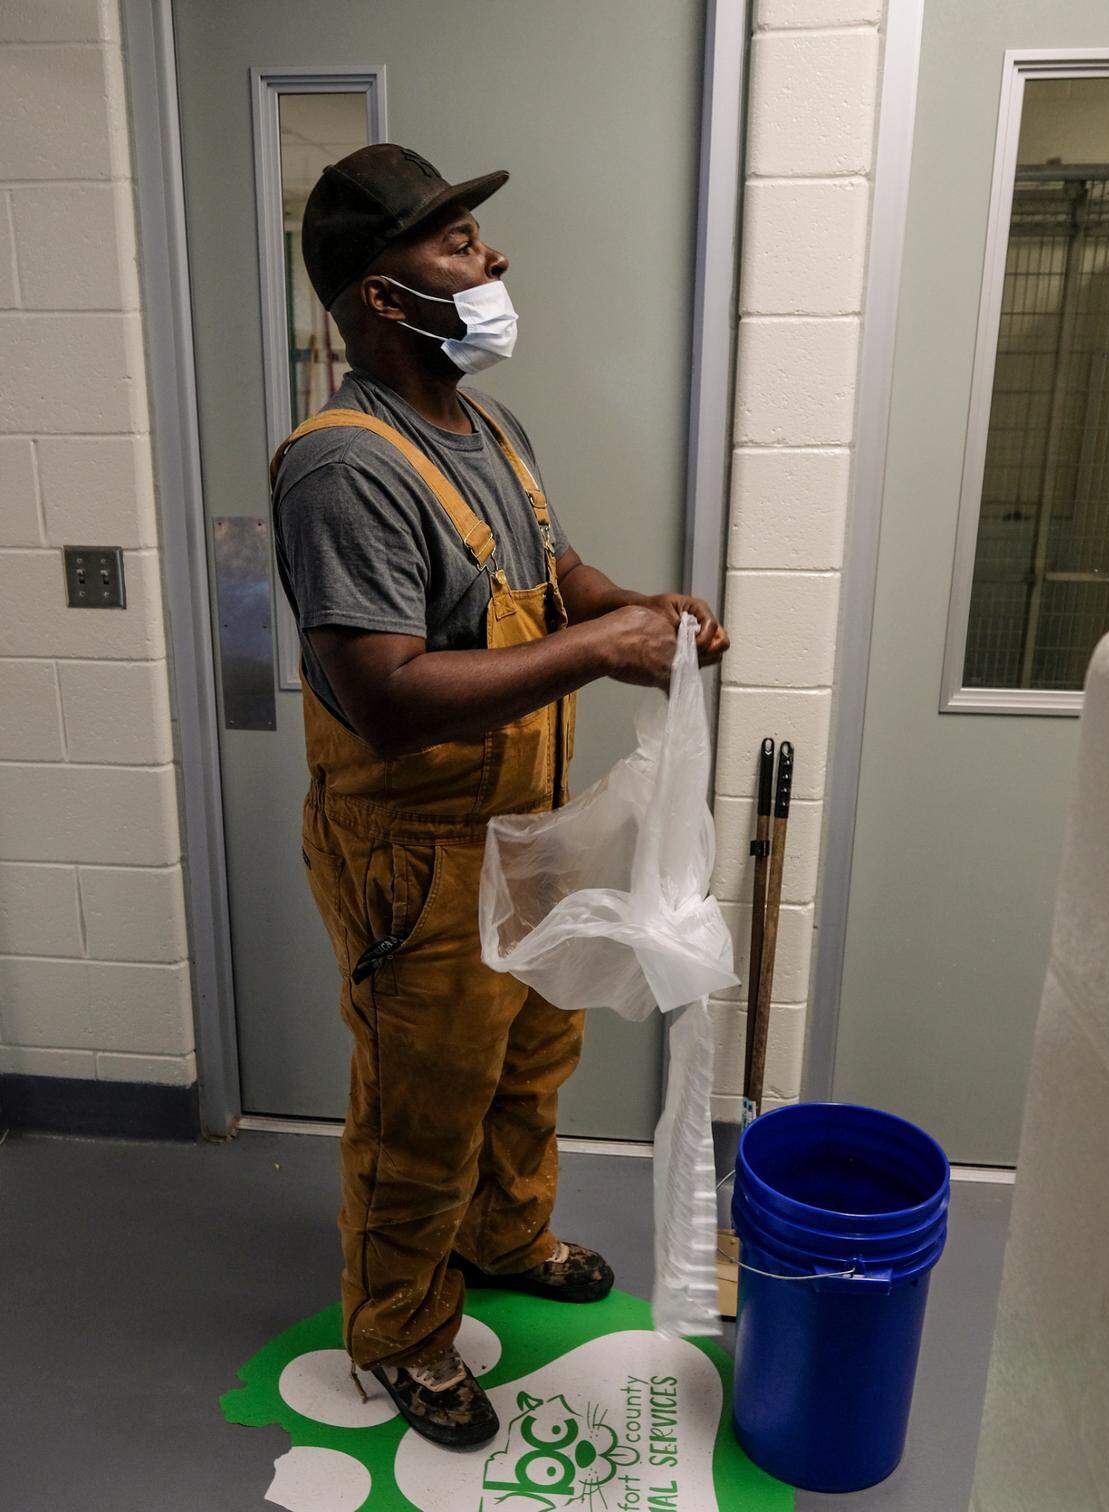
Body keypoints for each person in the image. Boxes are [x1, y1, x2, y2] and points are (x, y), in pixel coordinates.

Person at [269, 142, 730, 1450]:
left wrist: (644, 613)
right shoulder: (344, 467)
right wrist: (598, 652)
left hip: (523, 822)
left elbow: (558, 571)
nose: (493, 258)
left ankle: (507, 1236)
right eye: (455, 242)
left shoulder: (488, 427)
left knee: (532, 1059)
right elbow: (387, 694)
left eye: (478, 235)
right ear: (377, 294)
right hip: (410, 851)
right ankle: (406, 1334)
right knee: (426, 1098)